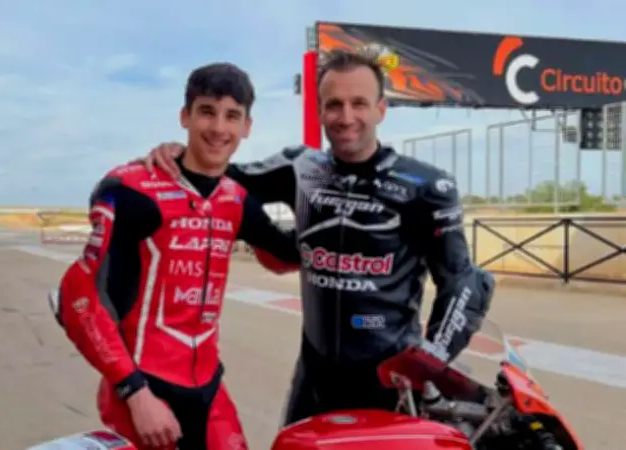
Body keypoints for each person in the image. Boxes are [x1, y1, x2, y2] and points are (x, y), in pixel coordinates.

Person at [139, 49, 495, 426]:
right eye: (334, 105)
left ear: (381, 109)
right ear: (321, 111)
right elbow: (223, 177)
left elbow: (464, 282)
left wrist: (430, 362)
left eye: (359, 103)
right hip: (314, 382)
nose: (346, 117)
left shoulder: (427, 186)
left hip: (390, 385)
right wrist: (179, 155)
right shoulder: (302, 167)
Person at [55, 62, 300, 449]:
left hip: (209, 387)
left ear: (247, 127)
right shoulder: (131, 188)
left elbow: (284, 256)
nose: (218, 128)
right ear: (185, 116)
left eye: (231, 116)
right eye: (207, 112)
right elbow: (77, 296)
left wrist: (321, 199)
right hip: (142, 390)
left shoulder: (235, 198)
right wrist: (134, 392)